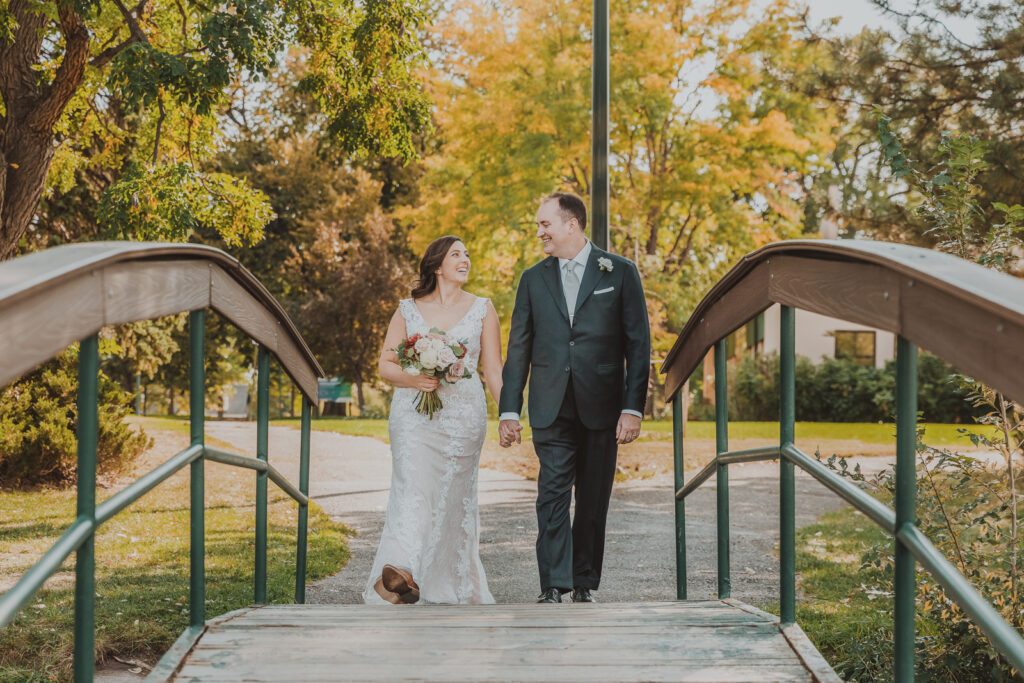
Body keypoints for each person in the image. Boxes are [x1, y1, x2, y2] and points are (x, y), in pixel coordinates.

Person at [498, 192, 651, 604]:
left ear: (572, 224)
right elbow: (519, 348)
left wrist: (632, 408)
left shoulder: (619, 272)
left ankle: (583, 582)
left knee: (593, 499)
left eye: (545, 224)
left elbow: (638, 345)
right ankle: (553, 583)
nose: (540, 232)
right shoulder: (532, 278)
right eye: (538, 225)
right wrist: (509, 409)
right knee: (551, 494)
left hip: (603, 404)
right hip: (550, 404)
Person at [363, 235, 503, 604]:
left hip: (463, 419)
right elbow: (385, 365)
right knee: (412, 490)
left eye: (468, 253)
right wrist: (415, 379)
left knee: (452, 501)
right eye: (456, 254)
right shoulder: (408, 310)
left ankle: (439, 580)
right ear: (437, 266)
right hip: (413, 417)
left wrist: (508, 415)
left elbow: (493, 371)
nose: (465, 259)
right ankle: (402, 571)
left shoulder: (484, 309)